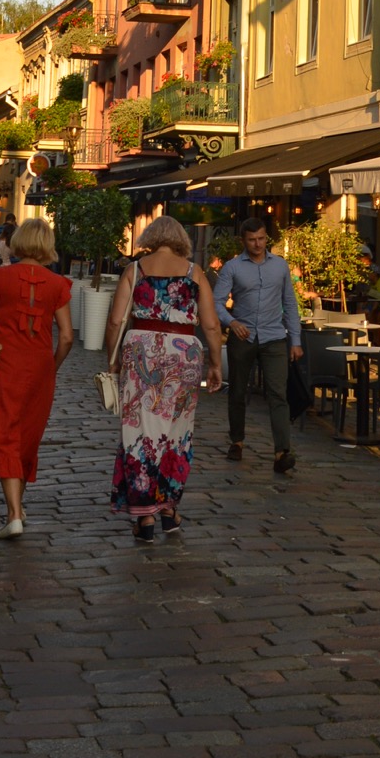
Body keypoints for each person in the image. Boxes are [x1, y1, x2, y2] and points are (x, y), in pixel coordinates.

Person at [106, 215, 223, 541]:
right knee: (176, 431)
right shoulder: (193, 272)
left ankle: (144, 517)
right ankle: (169, 509)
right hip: (183, 353)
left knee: (139, 430)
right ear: (181, 240)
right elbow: (211, 325)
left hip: (140, 350)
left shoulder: (135, 270)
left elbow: (117, 321)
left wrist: (113, 360)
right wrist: (215, 363)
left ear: (150, 237)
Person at [0, 216, 74, 537]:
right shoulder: (58, 284)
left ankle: (13, 514)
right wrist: (52, 366)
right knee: (27, 436)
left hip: (5, 365)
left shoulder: (1, 277)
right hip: (40, 368)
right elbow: (66, 337)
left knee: (5, 433)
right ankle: (19, 507)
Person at [213, 213, 304, 473]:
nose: (258, 244)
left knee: (278, 393)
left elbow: (289, 303)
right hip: (243, 337)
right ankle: (237, 441)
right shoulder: (232, 268)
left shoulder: (280, 266)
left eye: (262, 239)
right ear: (243, 240)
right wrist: (231, 322)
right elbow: (216, 302)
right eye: (252, 240)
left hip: (274, 336)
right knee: (238, 391)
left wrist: (295, 340)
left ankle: (282, 451)